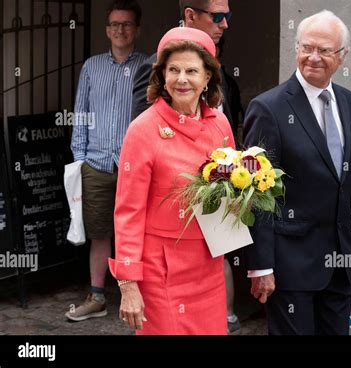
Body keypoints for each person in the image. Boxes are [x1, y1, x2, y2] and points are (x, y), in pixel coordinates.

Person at [243, 10, 351, 335]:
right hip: (291, 265)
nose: (313, 57)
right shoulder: (268, 108)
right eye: (306, 48)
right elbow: (256, 193)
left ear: (342, 56)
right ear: (297, 48)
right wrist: (261, 265)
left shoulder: (350, 103)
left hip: (340, 263)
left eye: (324, 50)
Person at [108, 27, 235, 335]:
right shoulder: (143, 130)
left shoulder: (220, 124)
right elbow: (128, 212)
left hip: (207, 269)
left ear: (207, 77)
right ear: (162, 76)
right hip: (160, 273)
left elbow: (228, 192)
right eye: (173, 70)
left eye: (192, 70)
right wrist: (128, 284)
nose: (182, 79)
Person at [66, 0, 147, 322]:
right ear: (107, 29)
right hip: (97, 164)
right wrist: (81, 158)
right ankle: (97, 296)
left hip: (135, 166)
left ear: (136, 29)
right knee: (99, 233)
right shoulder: (91, 66)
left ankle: (141, 298)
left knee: (139, 233)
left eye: (126, 24)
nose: (120, 30)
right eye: (114, 24)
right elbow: (80, 113)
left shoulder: (148, 66)